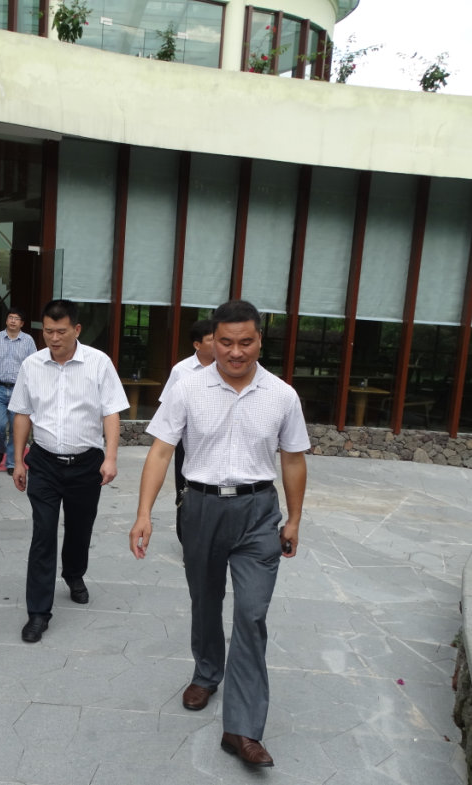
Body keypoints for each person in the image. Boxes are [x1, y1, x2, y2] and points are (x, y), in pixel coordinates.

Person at [128, 299, 309, 768]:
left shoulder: (282, 395)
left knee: (251, 614)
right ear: (213, 341)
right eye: (226, 342)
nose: (235, 351)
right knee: (205, 599)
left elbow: (292, 459)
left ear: (260, 340)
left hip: (258, 512)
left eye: (245, 342)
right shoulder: (188, 388)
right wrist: (144, 513)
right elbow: (161, 452)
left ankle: (242, 729)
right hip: (202, 507)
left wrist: (294, 518)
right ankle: (207, 672)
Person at [9, 299, 129, 644]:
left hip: (86, 463)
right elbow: (22, 414)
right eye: (48, 331)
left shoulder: (98, 363)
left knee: (79, 528)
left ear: (76, 329)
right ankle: (38, 612)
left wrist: (111, 457)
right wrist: (18, 460)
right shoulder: (32, 364)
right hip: (44, 463)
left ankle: (74, 574)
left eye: (61, 331)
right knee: (43, 533)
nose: (54, 338)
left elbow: (111, 412)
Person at [159, 319, 214, 542]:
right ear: (197, 345)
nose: (219, 344)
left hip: (216, 439)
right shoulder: (181, 370)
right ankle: (187, 539)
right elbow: (167, 404)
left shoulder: (228, 368)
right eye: (212, 340)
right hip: (187, 440)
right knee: (185, 489)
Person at [0, 307, 36, 474]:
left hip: (19, 390)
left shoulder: (28, 341)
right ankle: (1, 448)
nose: (13, 321)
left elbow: (34, 366)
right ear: (6, 320)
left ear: (22, 323)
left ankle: (11, 463)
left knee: (16, 429)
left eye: (16, 319)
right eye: (10, 317)